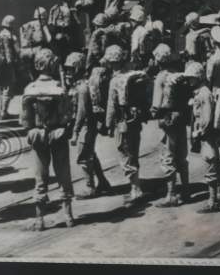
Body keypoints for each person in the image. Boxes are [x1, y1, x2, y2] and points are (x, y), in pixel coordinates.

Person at [21, 49, 75, 230]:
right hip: (57, 133)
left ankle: (40, 218)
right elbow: (67, 116)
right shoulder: (60, 89)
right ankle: (68, 215)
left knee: (40, 176)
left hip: (38, 135)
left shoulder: (29, 89)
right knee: (63, 174)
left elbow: (25, 120)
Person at [106, 48, 151, 206]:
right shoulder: (132, 76)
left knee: (124, 155)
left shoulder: (115, 81)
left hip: (122, 123)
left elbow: (111, 106)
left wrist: (108, 125)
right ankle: (137, 186)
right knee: (134, 153)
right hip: (135, 121)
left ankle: (135, 189)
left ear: (112, 62)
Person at [150, 46, 192, 207]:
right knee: (181, 154)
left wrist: (153, 113)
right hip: (180, 118)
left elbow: (156, 105)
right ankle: (186, 190)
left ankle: (171, 194)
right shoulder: (177, 74)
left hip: (166, 120)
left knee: (167, 155)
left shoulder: (161, 78)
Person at [70, 48, 113, 200]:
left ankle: (90, 187)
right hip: (90, 126)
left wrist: (75, 132)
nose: (68, 72)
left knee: (83, 157)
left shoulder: (82, 88)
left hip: (86, 127)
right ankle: (103, 182)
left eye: (71, 68)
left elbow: (81, 114)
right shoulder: (83, 84)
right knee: (90, 155)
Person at [189, 60, 220, 212]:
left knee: (210, 163)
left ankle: (213, 201)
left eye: (191, 78)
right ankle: (219, 196)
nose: (189, 80)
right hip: (207, 135)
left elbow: (206, 117)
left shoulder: (203, 94)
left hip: (207, 136)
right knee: (213, 164)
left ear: (198, 77)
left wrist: (199, 132)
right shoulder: (202, 92)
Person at [0, 15, 21, 119]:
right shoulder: (11, 36)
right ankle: (4, 112)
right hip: (8, 65)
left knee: (1, 88)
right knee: (8, 88)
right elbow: (15, 51)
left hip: (0, 65)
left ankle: (1, 111)